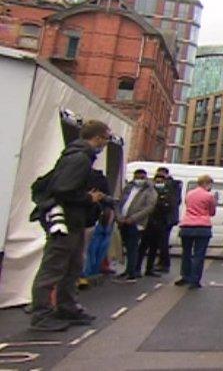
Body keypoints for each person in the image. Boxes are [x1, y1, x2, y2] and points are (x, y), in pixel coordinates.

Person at [29, 120, 112, 332]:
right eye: (106, 138)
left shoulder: (79, 156)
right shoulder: (79, 158)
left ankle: (67, 307)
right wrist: (89, 198)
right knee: (54, 268)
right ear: (97, 137)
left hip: (74, 222)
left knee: (72, 267)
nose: (106, 143)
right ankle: (41, 314)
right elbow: (62, 190)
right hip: (64, 222)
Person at [115, 169, 158, 282]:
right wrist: (119, 216)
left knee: (133, 247)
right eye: (137, 177)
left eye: (141, 178)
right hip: (123, 221)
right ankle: (127, 270)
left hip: (136, 223)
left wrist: (133, 218)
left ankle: (132, 272)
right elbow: (120, 202)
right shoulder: (128, 188)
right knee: (126, 247)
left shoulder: (150, 191)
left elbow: (148, 208)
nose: (139, 180)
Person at [176, 175, 217, 289]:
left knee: (186, 253)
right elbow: (212, 212)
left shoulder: (189, 194)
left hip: (187, 225)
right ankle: (195, 280)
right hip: (202, 227)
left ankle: (185, 276)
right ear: (206, 183)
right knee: (199, 254)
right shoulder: (209, 196)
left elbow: (187, 206)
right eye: (210, 184)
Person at [82, 169, 115, 281]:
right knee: (94, 248)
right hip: (97, 220)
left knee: (88, 248)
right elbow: (110, 201)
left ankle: (84, 273)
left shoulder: (83, 181)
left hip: (88, 220)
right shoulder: (101, 186)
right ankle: (89, 272)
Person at [138, 173, 173, 278]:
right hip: (148, 223)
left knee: (154, 248)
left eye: (161, 182)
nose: (159, 183)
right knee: (142, 247)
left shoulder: (167, 192)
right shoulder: (149, 192)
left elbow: (168, 207)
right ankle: (136, 268)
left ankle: (149, 269)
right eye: (157, 181)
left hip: (160, 224)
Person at [153, 166, 182, 274]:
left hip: (167, 218)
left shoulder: (172, 185)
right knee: (160, 241)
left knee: (163, 241)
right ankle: (161, 262)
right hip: (162, 217)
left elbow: (174, 201)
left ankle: (164, 263)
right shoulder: (170, 184)